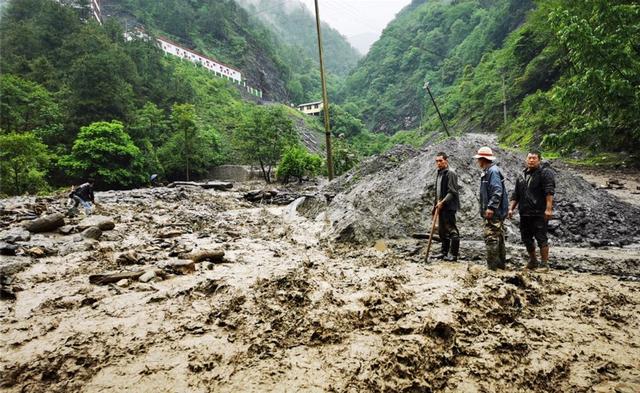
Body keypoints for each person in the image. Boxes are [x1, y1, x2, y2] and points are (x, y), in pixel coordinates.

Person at [508, 150, 556, 270]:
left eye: (534, 158)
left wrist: (549, 209)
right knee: (526, 238)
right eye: (529, 158)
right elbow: (516, 194)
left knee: (541, 237)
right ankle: (533, 261)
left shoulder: (545, 173)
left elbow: (549, 191)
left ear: (539, 160)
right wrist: (511, 209)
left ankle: (544, 264)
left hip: (539, 212)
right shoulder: (522, 175)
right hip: (524, 212)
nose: (531, 160)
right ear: (526, 160)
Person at [474, 147, 509, 270]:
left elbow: (497, 191)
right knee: (498, 236)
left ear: (483, 159)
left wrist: (491, 207)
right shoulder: (488, 171)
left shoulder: (492, 172)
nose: (478, 162)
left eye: (479, 159)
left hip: (495, 212)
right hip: (496, 211)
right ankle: (500, 265)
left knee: (491, 237)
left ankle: (493, 267)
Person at [431, 152, 460, 261]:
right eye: (437, 161)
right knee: (442, 232)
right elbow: (438, 192)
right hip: (440, 206)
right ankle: (444, 252)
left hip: (448, 207)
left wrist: (442, 202)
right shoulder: (439, 173)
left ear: (446, 161)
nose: (438, 163)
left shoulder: (450, 173)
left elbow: (452, 192)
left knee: (451, 230)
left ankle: (453, 255)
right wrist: (435, 206)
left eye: (440, 161)